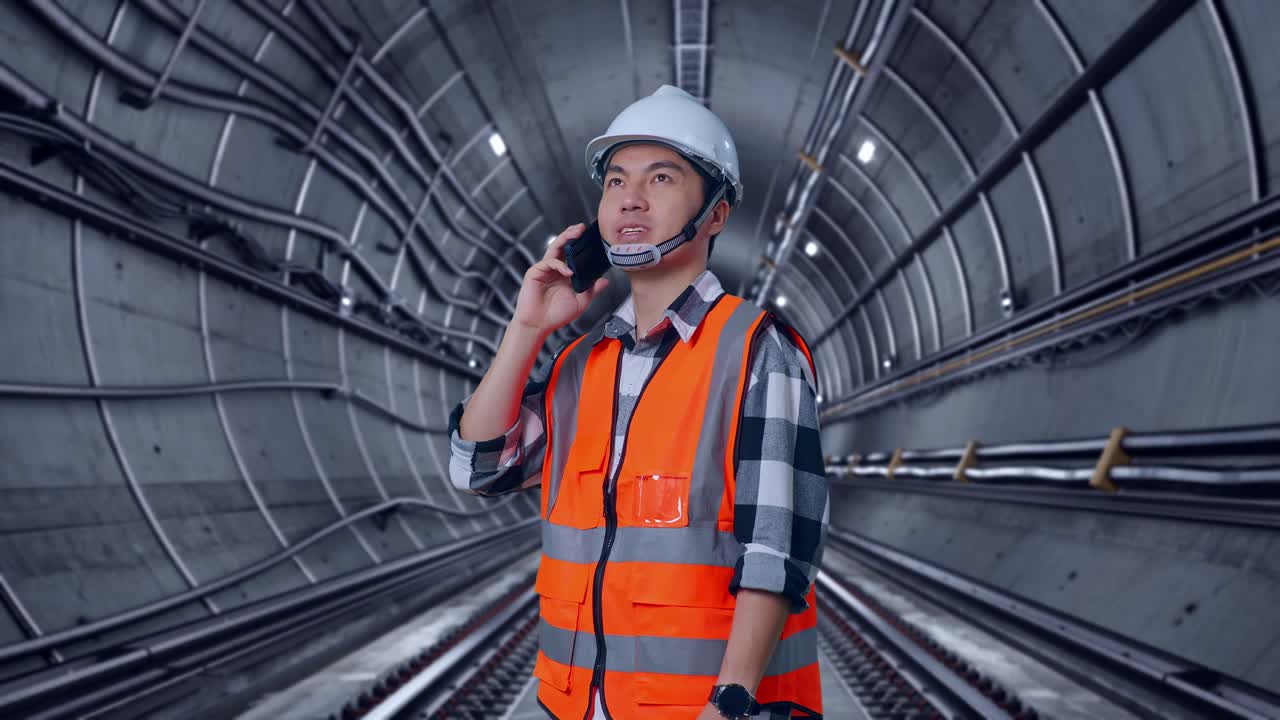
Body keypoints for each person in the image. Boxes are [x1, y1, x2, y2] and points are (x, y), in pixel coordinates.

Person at [449, 85, 827, 720]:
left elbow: (775, 550)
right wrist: (527, 329)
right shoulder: (580, 365)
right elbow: (478, 467)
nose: (630, 197)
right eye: (616, 180)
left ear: (716, 214)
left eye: (660, 177)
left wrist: (727, 705)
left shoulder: (757, 352)